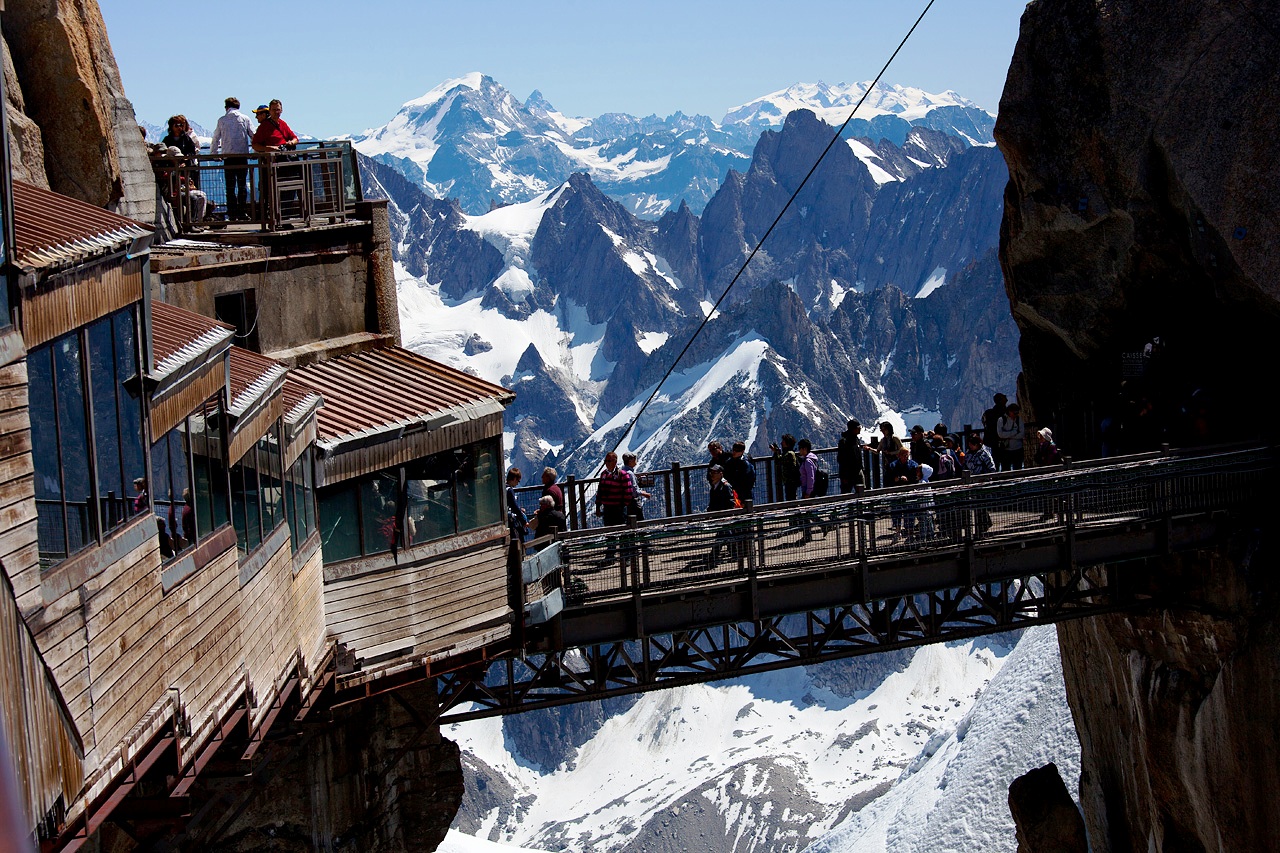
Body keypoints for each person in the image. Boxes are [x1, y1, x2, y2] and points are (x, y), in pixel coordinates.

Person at [210, 96, 254, 220]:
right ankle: (242, 212)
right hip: (242, 156)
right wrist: (254, 151)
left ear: (226, 107)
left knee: (230, 187)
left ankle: (232, 212)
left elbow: (216, 138)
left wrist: (214, 153)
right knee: (242, 185)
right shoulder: (245, 119)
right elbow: (253, 134)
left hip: (228, 157)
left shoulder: (222, 120)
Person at [161, 114, 208, 226]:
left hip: (186, 171)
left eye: (181, 125)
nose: (179, 127)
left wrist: (185, 160)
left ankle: (196, 221)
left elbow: (192, 152)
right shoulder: (167, 140)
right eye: (177, 125)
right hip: (173, 173)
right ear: (171, 126)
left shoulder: (186, 138)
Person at [595, 452, 633, 528]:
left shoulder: (623, 475)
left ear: (615, 462)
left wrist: (622, 505)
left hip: (619, 509)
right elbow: (600, 491)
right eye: (606, 461)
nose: (607, 463)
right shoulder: (603, 474)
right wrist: (598, 507)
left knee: (622, 531)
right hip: (607, 509)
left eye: (609, 461)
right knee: (609, 532)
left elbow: (628, 492)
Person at [836, 419, 865, 495]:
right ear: (853, 429)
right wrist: (844, 476)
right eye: (858, 427)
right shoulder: (844, 442)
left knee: (861, 492)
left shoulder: (856, 439)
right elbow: (841, 459)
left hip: (858, 472)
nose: (860, 428)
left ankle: (860, 506)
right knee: (846, 494)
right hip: (848, 474)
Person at [770, 434, 800, 501]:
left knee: (791, 498)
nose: (781, 443)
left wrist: (777, 452)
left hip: (790, 481)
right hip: (789, 481)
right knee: (791, 497)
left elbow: (780, 462)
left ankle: (794, 510)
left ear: (787, 443)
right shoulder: (788, 453)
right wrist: (777, 452)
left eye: (783, 441)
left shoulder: (789, 454)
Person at [996, 402, 1026, 471]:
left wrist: (1008, 436)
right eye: (1014, 413)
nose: (1016, 415)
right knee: (1005, 469)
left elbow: (1022, 434)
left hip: (1018, 449)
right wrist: (1014, 432)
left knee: (1018, 469)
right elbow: (1000, 434)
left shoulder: (1019, 420)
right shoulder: (1001, 420)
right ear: (1009, 412)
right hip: (1005, 450)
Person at [621, 453, 651, 519]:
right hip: (633, 502)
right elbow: (634, 491)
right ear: (630, 461)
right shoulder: (630, 473)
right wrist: (644, 493)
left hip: (625, 501)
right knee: (639, 520)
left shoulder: (622, 471)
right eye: (634, 459)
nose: (636, 461)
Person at [505, 468, 528, 541]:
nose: (518, 483)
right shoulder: (509, 490)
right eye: (518, 481)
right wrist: (523, 519)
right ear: (514, 478)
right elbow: (514, 506)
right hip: (510, 520)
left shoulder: (503, 487)